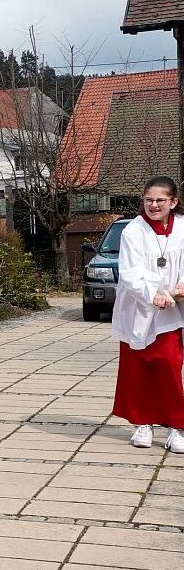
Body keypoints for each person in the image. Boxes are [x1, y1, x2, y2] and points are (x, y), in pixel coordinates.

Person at [111, 175, 184, 453]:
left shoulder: (183, 228)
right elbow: (130, 272)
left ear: (173, 202)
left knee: (168, 364)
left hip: (172, 311)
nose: (153, 205)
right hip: (139, 308)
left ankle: (177, 426)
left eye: (159, 200)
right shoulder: (133, 230)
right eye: (148, 200)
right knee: (137, 368)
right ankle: (142, 423)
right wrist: (152, 294)